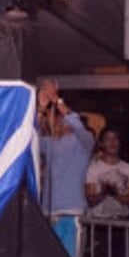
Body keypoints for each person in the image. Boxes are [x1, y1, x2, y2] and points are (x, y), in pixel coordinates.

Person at [85, 127, 129, 257]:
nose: (112, 142)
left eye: (115, 139)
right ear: (102, 143)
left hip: (122, 224)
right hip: (99, 225)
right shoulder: (93, 168)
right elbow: (91, 199)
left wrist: (116, 192)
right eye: (108, 139)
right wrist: (104, 192)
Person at [36, 78, 94, 217]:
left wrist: (56, 99)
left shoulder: (84, 140)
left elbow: (76, 124)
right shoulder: (49, 142)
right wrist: (41, 108)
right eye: (57, 117)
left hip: (72, 209)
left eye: (60, 117)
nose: (58, 120)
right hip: (48, 210)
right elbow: (31, 136)